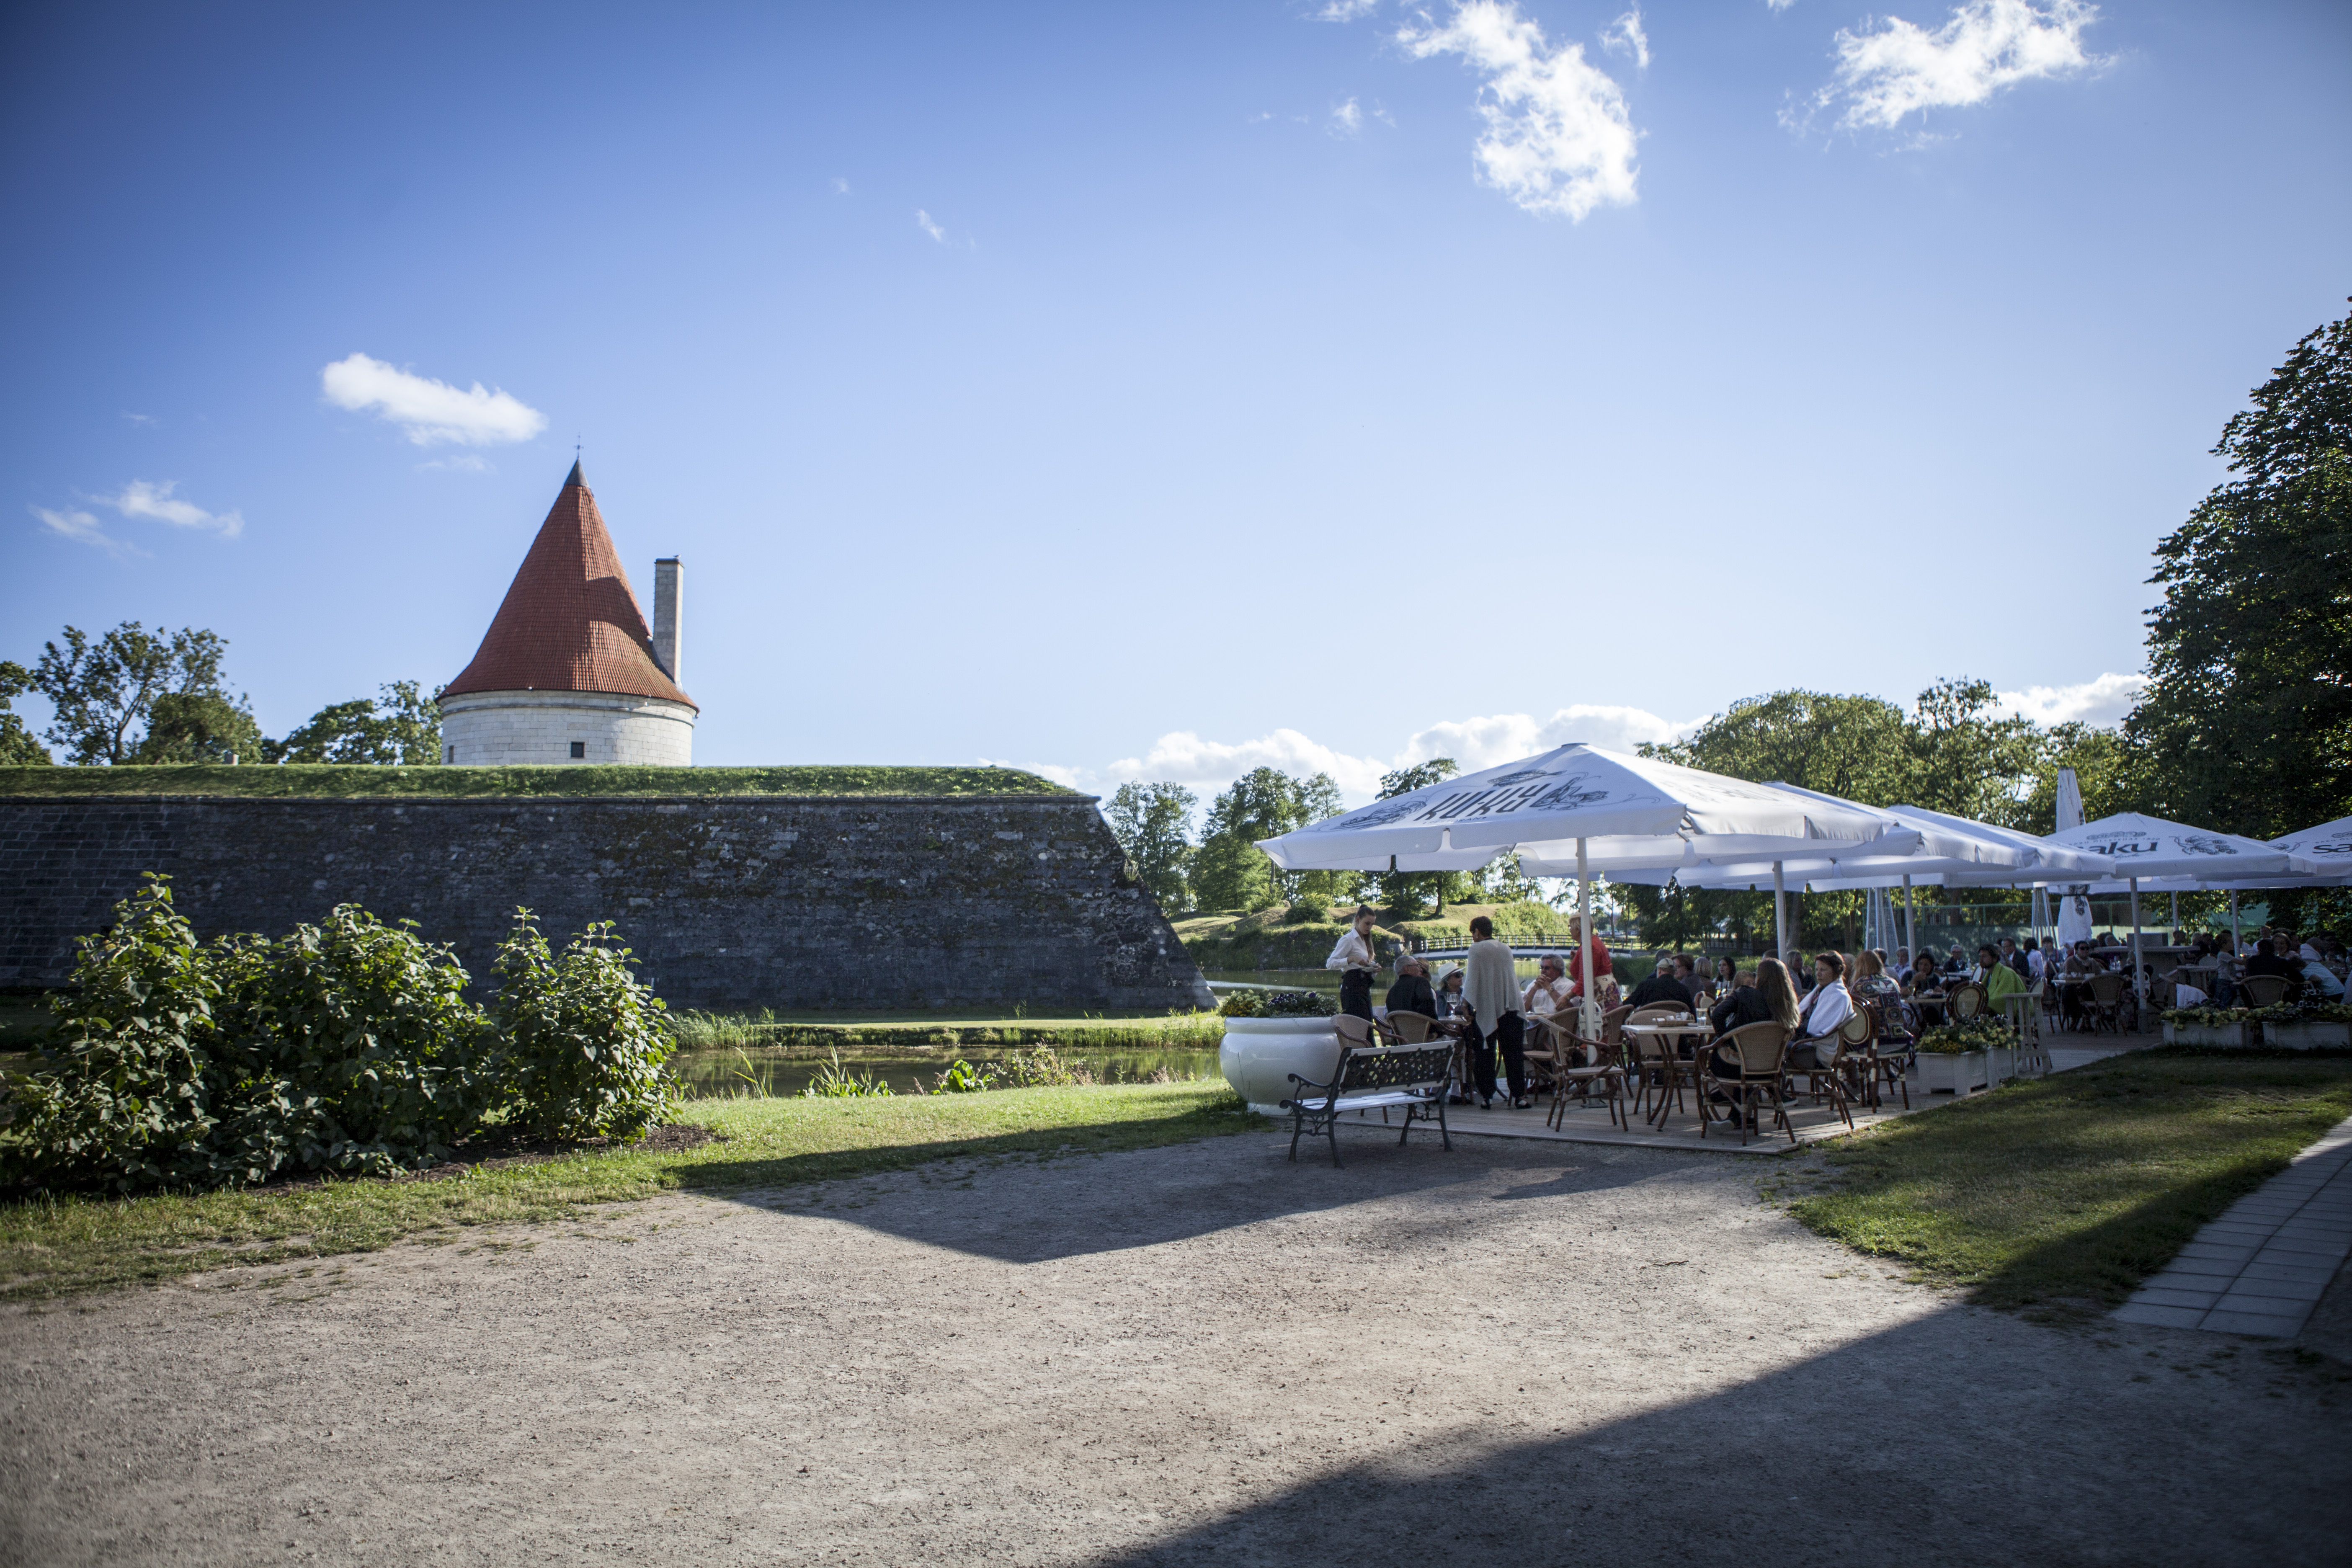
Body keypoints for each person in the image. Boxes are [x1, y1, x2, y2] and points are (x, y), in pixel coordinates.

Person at [1706, 957, 1802, 1126]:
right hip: (1771, 1067)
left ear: (1761, 977)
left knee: (1722, 1058)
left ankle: (1731, 1107)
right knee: (1749, 1064)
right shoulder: (1787, 1003)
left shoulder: (1744, 994)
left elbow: (1717, 1015)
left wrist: (1727, 1040)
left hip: (1735, 1065)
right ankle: (1740, 1116)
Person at [1461, 916, 1529, 1109]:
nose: (1473, 937)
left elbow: (1472, 979)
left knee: (1485, 1053)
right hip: (1511, 1005)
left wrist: (1465, 1005)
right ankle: (1519, 1096)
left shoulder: (1476, 949)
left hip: (1487, 1006)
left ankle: (1487, 1096)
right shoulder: (1506, 948)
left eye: (1472, 933)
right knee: (1514, 1053)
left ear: (1477, 932)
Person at [1786, 952, 1853, 1069]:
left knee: (1772, 1050)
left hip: (1816, 1051)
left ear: (1836, 971)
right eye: (1817, 969)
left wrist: (1792, 1026)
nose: (1818, 973)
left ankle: (1767, 1085)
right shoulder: (1821, 990)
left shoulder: (1838, 996)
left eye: (1823, 970)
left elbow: (1815, 1029)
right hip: (1807, 1044)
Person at [1325, 905, 1382, 1021]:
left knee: (1367, 1027)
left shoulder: (1365, 941)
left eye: (1372, 924)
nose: (1370, 927)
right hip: (1351, 990)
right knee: (1359, 1028)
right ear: (1358, 920)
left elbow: (1363, 968)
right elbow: (1330, 964)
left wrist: (1374, 969)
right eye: (1367, 923)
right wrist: (1351, 959)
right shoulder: (1348, 939)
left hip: (1364, 988)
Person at [1561, 914, 1612, 999]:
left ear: (1578, 929)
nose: (1570, 930)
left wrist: (1566, 998)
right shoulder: (1592, 943)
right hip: (1603, 993)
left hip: (1602, 997)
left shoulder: (1590, 947)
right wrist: (1578, 957)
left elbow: (1585, 982)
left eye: (1570, 927)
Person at [1627, 957, 1693, 1011]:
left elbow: (1628, 1005)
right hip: (1674, 1026)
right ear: (1673, 972)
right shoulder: (1684, 989)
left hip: (1647, 1025)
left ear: (1660, 970)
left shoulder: (1646, 985)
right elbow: (1692, 1012)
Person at [1386, 953, 1439, 1021]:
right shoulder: (1421, 982)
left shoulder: (1392, 991)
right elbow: (1429, 1007)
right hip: (1423, 1030)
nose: (1421, 970)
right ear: (1407, 969)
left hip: (1400, 1031)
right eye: (1417, 966)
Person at [1978, 942, 2027, 1008]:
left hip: (2011, 1013)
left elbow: (2001, 1000)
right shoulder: (1989, 974)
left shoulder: (2007, 973)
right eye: (1980, 957)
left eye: (1984, 956)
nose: (1981, 960)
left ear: (1995, 958)